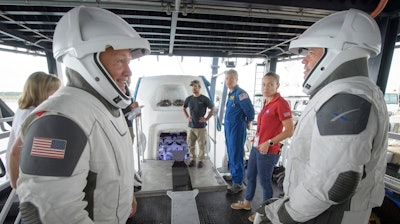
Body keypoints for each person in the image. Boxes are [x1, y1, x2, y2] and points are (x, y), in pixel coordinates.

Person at [15, 6, 150, 223]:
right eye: (120, 61)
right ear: (88, 61)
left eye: (128, 61)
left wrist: (125, 197)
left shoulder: (103, 108)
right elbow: (47, 213)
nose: (129, 72)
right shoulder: (59, 120)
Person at [254, 9, 389, 224]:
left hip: (326, 217)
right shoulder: (355, 92)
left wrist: (282, 215)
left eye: (311, 52)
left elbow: (336, 181)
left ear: (336, 53)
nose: (303, 61)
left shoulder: (346, 99)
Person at [230, 72, 294, 222]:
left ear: (277, 86)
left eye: (270, 84)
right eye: (264, 84)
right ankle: (246, 203)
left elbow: (290, 130)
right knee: (250, 176)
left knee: (265, 182)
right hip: (256, 147)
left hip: (268, 151)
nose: (266, 87)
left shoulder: (281, 103)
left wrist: (269, 142)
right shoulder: (266, 101)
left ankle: (265, 213)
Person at [7, 71, 61, 187]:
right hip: (26, 175)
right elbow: (16, 152)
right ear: (41, 91)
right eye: (54, 91)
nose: (58, 95)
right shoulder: (33, 115)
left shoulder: (23, 110)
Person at [224, 69, 255, 194]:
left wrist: (248, 120)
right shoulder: (231, 93)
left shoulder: (241, 93)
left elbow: (250, 111)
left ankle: (238, 183)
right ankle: (234, 174)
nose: (229, 81)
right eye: (227, 78)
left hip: (237, 128)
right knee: (231, 152)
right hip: (229, 127)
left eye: (231, 78)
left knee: (237, 153)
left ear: (236, 80)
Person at [182, 79, 215, 168]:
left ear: (199, 87)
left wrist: (206, 118)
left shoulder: (204, 99)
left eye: (195, 86)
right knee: (190, 144)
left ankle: (201, 160)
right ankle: (192, 159)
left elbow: (212, 109)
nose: (193, 88)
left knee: (201, 145)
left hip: (201, 127)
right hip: (191, 127)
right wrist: (187, 117)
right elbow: (184, 108)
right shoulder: (189, 99)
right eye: (192, 86)